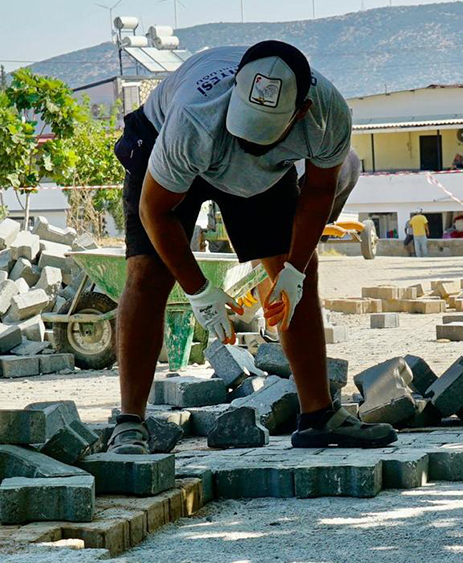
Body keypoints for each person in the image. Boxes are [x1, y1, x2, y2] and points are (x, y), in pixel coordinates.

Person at [109, 40, 397, 453]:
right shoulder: (195, 116)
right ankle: (130, 422)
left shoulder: (329, 114)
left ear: (301, 112)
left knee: (296, 268)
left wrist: (294, 271)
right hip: (169, 142)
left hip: (263, 174)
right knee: (148, 273)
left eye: (260, 134)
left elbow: (317, 192)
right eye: (245, 126)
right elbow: (156, 211)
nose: (248, 141)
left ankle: (318, 415)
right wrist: (198, 290)